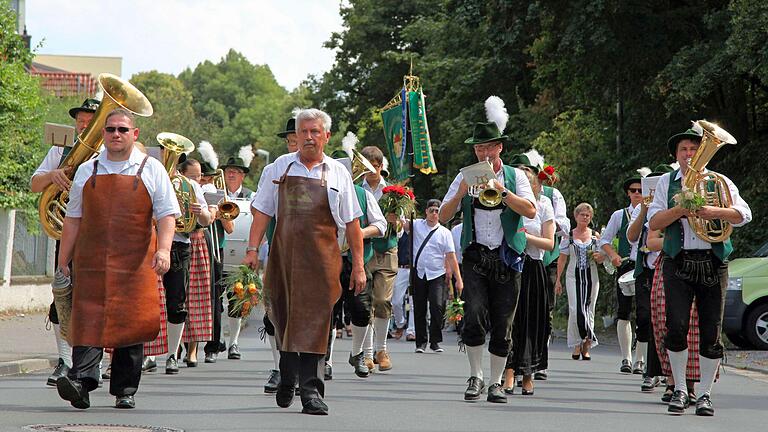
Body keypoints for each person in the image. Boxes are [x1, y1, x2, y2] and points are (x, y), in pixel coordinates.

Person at [55, 108, 180, 409]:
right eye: (110, 129)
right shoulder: (88, 170)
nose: (116, 135)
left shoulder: (152, 169)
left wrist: (163, 250)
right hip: (91, 262)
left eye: (122, 130)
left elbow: (167, 216)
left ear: (134, 134)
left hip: (136, 264)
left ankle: (125, 390)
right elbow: (73, 219)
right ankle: (81, 383)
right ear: (103, 134)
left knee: (131, 324)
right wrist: (64, 260)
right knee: (87, 320)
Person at [243, 108, 366, 415]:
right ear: (295, 136)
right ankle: (287, 376)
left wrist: (360, 266)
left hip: (324, 262)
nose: (309, 137)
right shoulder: (278, 168)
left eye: (315, 132)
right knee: (282, 318)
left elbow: (351, 223)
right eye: (303, 132)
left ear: (326, 136)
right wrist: (251, 250)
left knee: (316, 324)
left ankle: (311, 391)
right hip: (284, 257)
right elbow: (262, 212)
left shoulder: (339, 173)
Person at [648, 125, 751, 416]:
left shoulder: (719, 181)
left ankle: (705, 393)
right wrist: (681, 209)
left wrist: (715, 212)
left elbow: (744, 214)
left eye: (694, 149)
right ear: (676, 155)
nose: (690, 154)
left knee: (711, 331)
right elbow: (654, 223)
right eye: (684, 150)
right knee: (676, 327)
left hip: (713, 261)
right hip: (677, 260)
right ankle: (680, 389)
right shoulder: (666, 183)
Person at [438, 120, 536, 404]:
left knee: (504, 323)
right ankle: (476, 376)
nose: (483, 153)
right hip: (476, 255)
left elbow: (529, 211)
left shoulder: (515, 176)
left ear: (499, 147)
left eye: (488, 147)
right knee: (474, 315)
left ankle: (495, 382)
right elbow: (444, 217)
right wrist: (460, 192)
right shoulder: (463, 176)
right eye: (479, 148)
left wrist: (501, 191)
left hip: (508, 256)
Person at [31, 97, 99, 387]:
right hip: (68, 232)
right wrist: (53, 175)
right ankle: (65, 361)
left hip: (98, 235)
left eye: (90, 119)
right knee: (62, 294)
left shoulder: (110, 152)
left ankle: (94, 362)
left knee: (96, 298)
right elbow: (34, 184)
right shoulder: (61, 149)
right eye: (81, 119)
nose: (84, 124)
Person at [326, 151, 386, 379]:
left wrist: (359, 232)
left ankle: (357, 353)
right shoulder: (323, 193)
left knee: (361, 310)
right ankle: (327, 360)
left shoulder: (362, 193)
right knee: (329, 312)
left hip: (354, 262)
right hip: (328, 261)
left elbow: (380, 225)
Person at [503, 156, 555, 396]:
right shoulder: (507, 202)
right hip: (510, 264)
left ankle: (528, 373)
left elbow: (549, 242)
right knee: (509, 322)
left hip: (533, 267)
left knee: (531, 322)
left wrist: (524, 237)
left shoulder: (543, 205)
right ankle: (509, 371)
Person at [160, 151, 212, 375]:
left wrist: (200, 212)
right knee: (148, 301)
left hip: (179, 244)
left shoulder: (191, 186)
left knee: (177, 301)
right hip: (152, 242)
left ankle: (172, 354)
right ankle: (148, 354)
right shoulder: (154, 176)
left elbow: (207, 220)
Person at [626, 164, 674, 391]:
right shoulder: (640, 208)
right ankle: (650, 369)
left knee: (671, 322)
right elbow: (633, 237)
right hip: (647, 271)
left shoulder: (672, 203)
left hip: (671, 268)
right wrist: (645, 209)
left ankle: (667, 373)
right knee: (647, 318)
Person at [360, 145, 399, 371]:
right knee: (365, 303)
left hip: (386, 251)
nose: (371, 171)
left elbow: (403, 228)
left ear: (381, 166)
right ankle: (366, 354)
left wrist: (396, 222)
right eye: (367, 167)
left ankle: (381, 349)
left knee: (382, 300)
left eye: (375, 167)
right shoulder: (356, 188)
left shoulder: (392, 192)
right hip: (364, 250)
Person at [599, 174, 644, 373]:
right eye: (633, 190)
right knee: (623, 312)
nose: (637, 194)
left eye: (640, 190)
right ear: (628, 193)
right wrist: (613, 255)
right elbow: (605, 240)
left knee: (645, 314)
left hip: (644, 266)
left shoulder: (652, 213)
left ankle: (640, 359)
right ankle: (626, 357)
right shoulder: (619, 215)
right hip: (625, 266)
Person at [405, 199, 461, 354]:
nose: (434, 214)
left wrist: (458, 279)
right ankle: (421, 342)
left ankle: (435, 340)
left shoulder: (445, 233)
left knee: (437, 306)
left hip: (437, 273)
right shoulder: (416, 225)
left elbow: (451, 256)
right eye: (432, 211)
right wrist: (403, 203)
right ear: (426, 212)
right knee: (419, 307)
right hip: (419, 272)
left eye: (437, 211)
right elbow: (401, 224)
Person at [178, 159, 215, 367]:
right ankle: (172, 350)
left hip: (197, 239)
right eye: (192, 176)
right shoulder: (174, 186)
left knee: (196, 295)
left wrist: (201, 211)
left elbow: (208, 219)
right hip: (175, 239)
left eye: (199, 176)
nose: (197, 180)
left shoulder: (197, 190)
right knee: (175, 296)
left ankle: (192, 350)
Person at [556, 203, 604, 361]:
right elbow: (562, 259)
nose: (585, 217)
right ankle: (577, 343)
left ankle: (587, 344)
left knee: (589, 309)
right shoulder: (569, 236)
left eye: (588, 215)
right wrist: (558, 280)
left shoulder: (595, 236)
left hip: (591, 276)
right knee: (575, 309)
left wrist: (599, 256)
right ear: (576, 216)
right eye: (582, 214)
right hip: (573, 276)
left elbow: (602, 258)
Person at [219, 155, 255, 360]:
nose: (231, 173)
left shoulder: (252, 197)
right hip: (219, 253)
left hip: (241, 258)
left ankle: (233, 342)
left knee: (237, 301)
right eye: (228, 170)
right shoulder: (216, 194)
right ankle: (215, 342)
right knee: (215, 302)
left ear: (242, 175)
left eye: (235, 171)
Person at [537, 163, 569, 381]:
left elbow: (564, 224)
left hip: (546, 258)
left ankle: (540, 359)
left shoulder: (551, 195)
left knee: (545, 311)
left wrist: (546, 223)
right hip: (520, 257)